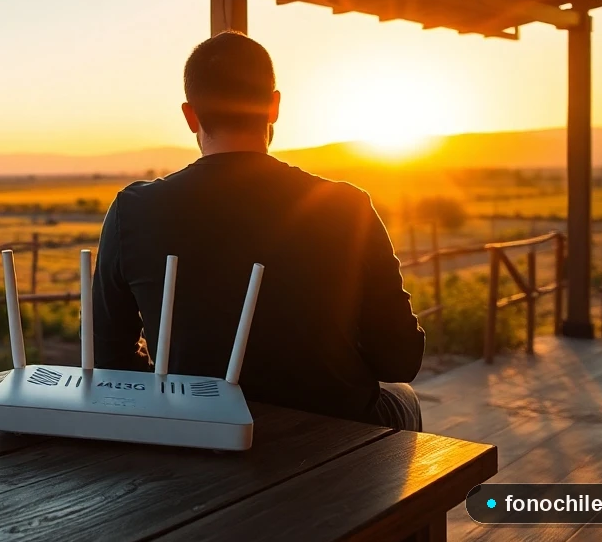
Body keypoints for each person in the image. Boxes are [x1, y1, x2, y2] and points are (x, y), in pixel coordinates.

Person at [92, 31, 425, 431]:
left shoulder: (133, 210)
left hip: (198, 428)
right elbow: (400, 360)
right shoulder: (347, 205)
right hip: (334, 428)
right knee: (403, 393)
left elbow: (105, 358)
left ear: (189, 115)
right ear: (274, 106)